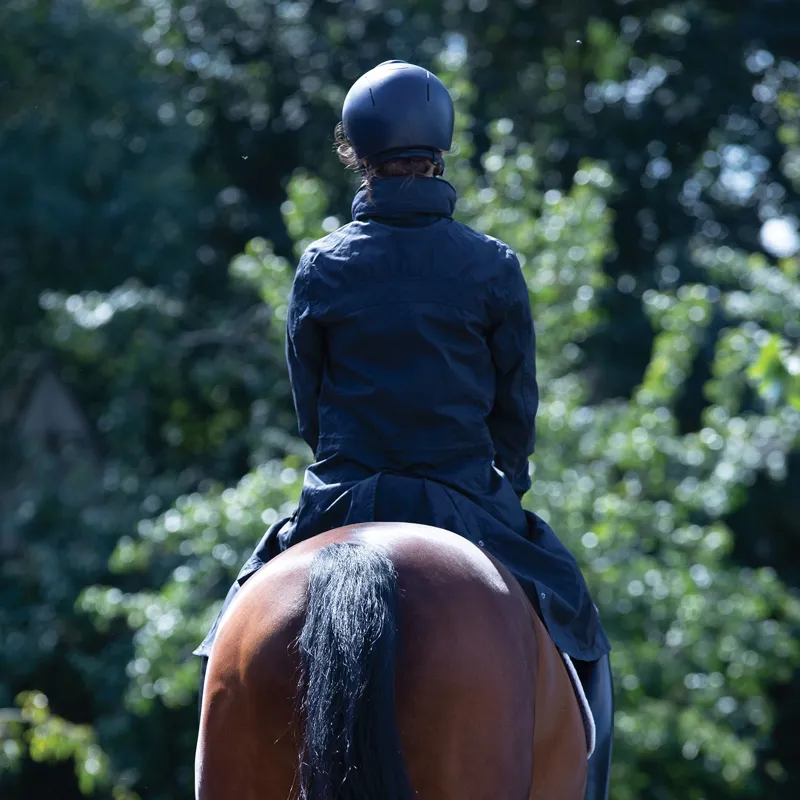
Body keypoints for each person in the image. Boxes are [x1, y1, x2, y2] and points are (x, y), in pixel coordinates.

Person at [194, 60, 613, 799]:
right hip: (464, 495)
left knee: (229, 639)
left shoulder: (322, 265)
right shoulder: (491, 266)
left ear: (356, 153)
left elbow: (311, 409)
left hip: (344, 495)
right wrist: (504, 482)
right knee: (580, 634)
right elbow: (515, 409)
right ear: (441, 148)